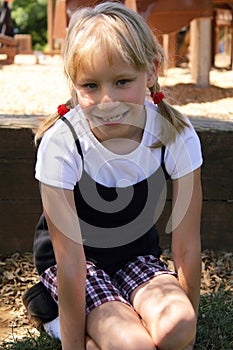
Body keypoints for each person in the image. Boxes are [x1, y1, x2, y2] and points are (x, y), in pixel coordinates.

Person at [29, 2, 203, 349]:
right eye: (91, 86)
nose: (107, 101)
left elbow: (185, 245)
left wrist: (188, 333)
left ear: (151, 72)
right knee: (133, 344)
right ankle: (55, 316)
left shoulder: (174, 133)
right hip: (80, 265)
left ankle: (126, 311)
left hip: (137, 257)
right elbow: (71, 263)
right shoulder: (63, 143)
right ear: (75, 84)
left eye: (122, 81)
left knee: (178, 325)